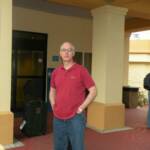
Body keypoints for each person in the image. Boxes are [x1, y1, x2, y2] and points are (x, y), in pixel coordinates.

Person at [49, 42, 97, 150]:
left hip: (75, 118)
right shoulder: (56, 72)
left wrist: (82, 107)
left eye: (69, 50)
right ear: (60, 53)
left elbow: (93, 90)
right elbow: (52, 91)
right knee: (59, 147)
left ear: (73, 53)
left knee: (77, 147)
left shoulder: (81, 70)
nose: (66, 52)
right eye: (64, 50)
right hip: (58, 118)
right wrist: (53, 105)